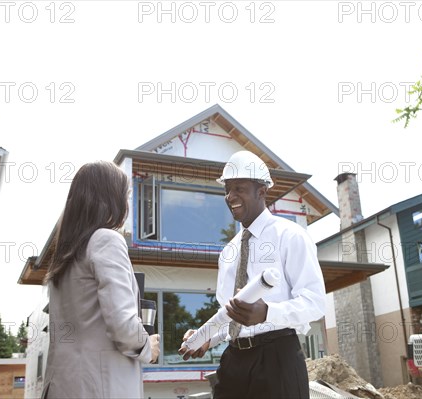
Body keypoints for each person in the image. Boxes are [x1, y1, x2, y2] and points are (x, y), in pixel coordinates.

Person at [179, 151, 326, 399]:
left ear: (262, 191)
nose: (230, 196)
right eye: (227, 189)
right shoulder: (228, 252)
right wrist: (207, 338)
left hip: (278, 358)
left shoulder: (290, 236)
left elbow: (315, 302)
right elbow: (228, 315)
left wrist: (267, 312)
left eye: (239, 188)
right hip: (234, 360)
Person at [42, 161, 160, 399]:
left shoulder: (65, 254)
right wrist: (149, 347)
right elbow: (123, 326)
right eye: (125, 195)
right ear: (110, 199)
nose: (127, 204)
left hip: (62, 385)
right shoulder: (107, 240)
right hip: (101, 386)